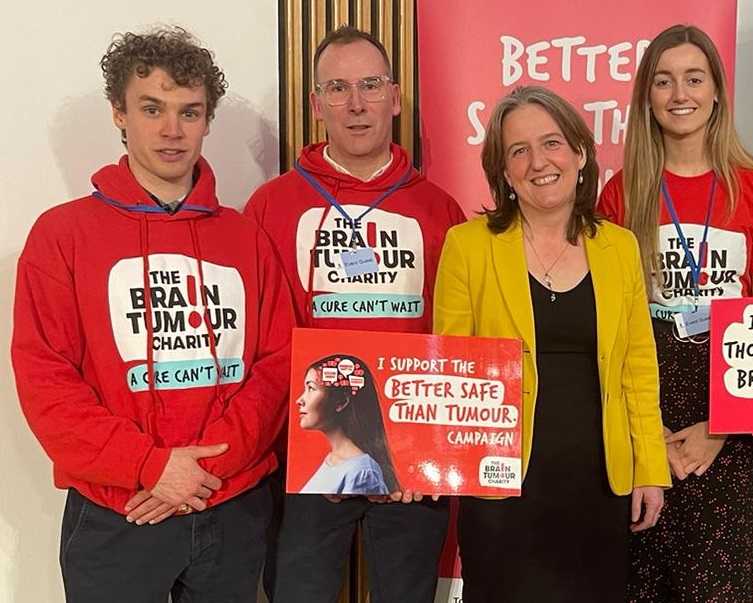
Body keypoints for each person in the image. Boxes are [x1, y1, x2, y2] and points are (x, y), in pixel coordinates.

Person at [11, 27, 293, 602]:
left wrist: (201, 471)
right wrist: (149, 465)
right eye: (152, 108)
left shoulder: (247, 238)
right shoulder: (61, 236)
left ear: (208, 120)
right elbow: (46, 380)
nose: (172, 130)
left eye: (189, 111)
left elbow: (278, 365)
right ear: (119, 114)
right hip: (119, 513)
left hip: (232, 508)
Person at [245, 25, 464, 603]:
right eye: (339, 89)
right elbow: (257, 339)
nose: (357, 104)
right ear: (316, 105)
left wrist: (413, 450)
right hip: (304, 461)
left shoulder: (441, 208)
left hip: (413, 465)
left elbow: (456, 336)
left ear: (395, 97)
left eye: (370, 85)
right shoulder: (271, 205)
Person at [433, 85, 670, 602]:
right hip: (500, 487)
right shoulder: (467, 246)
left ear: (581, 153)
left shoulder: (619, 247)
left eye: (553, 143)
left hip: (599, 487)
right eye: (519, 151)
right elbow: (449, 369)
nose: (539, 161)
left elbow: (637, 369)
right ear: (503, 170)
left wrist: (650, 468)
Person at [597, 24, 753, 601]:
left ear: (716, 91)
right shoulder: (620, 193)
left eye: (693, 78)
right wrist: (649, 434)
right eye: (663, 81)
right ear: (647, 97)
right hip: (646, 411)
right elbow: (612, 329)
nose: (679, 93)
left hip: (731, 412)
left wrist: (721, 425)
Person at [296, 354, 398, 496]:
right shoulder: (333, 460)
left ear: (341, 402)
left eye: (311, 389)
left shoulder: (362, 472)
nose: (299, 400)